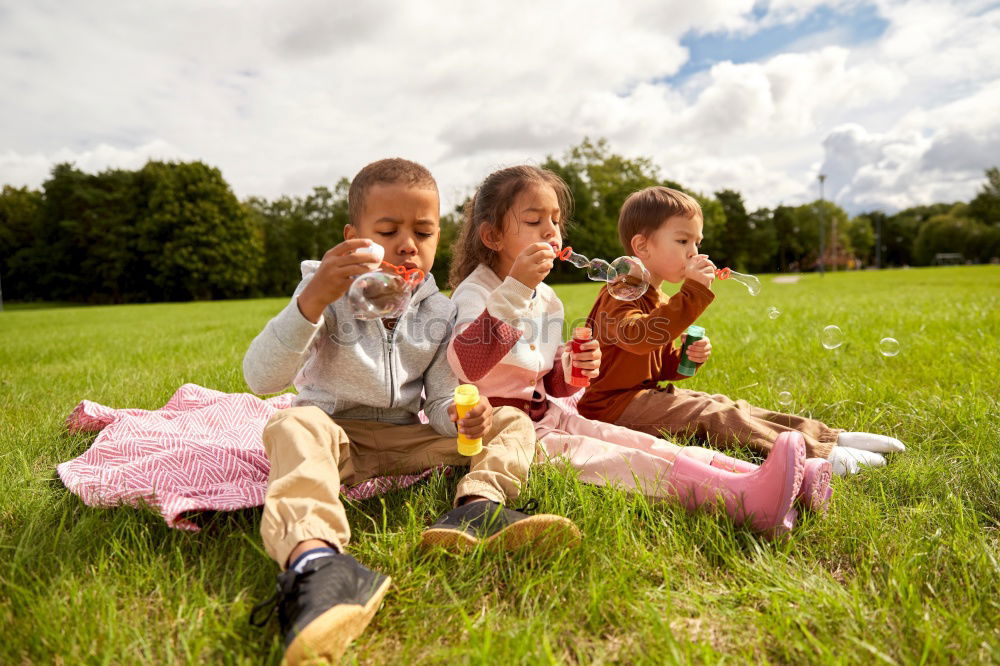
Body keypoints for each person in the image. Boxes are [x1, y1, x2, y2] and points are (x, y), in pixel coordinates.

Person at [243, 158, 579, 665]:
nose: (407, 244)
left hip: (405, 439)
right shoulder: (325, 294)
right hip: (334, 437)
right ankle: (317, 563)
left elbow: (442, 400)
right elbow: (260, 378)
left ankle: (477, 509)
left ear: (439, 237)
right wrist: (312, 300)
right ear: (353, 235)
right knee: (291, 421)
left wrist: (463, 418)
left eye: (423, 232)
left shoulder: (438, 311)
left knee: (510, 421)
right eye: (388, 230)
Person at [446, 165, 825, 543]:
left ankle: (774, 477)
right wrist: (515, 289)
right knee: (617, 461)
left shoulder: (547, 299)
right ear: (492, 236)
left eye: (556, 220)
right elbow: (468, 365)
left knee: (643, 444)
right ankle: (741, 496)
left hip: (549, 415)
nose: (551, 231)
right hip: (506, 430)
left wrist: (574, 369)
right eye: (534, 221)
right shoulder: (475, 292)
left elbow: (548, 384)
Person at [577, 186, 906, 477]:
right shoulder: (619, 291)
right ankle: (820, 455)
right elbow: (640, 339)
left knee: (726, 404)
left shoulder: (660, 297)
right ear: (642, 246)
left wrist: (681, 360)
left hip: (640, 396)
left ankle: (825, 436)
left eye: (696, 242)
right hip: (610, 408)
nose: (694, 251)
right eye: (682, 241)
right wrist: (692, 293)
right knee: (711, 414)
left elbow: (652, 365)